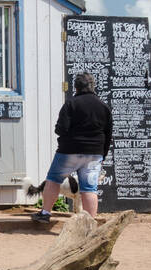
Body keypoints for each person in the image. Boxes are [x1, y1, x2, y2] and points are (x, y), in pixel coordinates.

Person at [31, 72, 112, 222]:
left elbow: (60, 129)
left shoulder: (71, 104)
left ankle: (45, 213)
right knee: (89, 188)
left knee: (53, 179)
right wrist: (102, 154)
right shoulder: (103, 107)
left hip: (69, 151)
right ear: (93, 86)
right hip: (94, 153)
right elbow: (108, 134)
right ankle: (90, 222)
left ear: (76, 87)